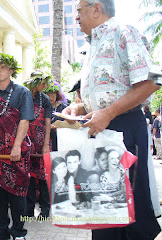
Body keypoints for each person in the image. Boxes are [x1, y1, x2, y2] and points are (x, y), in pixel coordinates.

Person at [63, 0, 161, 238]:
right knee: (104, 209)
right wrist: (79, 107)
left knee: (130, 208)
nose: (76, 17)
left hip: (124, 127)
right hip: (102, 129)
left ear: (96, 9)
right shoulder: (93, 44)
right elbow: (107, 92)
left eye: (79, 11)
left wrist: (108, 113)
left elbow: (151, 83)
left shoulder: (123, 32)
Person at [0, 53, 35, 240]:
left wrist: (17, 146)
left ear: (11, 71)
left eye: (3, 67)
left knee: (18, 193)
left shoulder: (22, 92)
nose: (0, 70)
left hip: (15, 152)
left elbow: (25, 120)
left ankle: (18, 232)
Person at [23, 71, 52, 220]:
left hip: (42, 142)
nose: (44, 86)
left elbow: (48, 122)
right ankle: (28, 211)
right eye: (42, 82)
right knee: (29, 177)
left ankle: (45, 210)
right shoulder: (23, 96)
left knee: (43, 177)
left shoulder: (45, 99)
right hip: (27, 141)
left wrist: (46, 144)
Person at [43, 84, 68, 151]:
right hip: (45, 141)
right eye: (48, 95)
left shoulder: (64, 108)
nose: (51, 98)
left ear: (57, 95)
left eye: (53, 95)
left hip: (61, 140)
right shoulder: (41, 108)